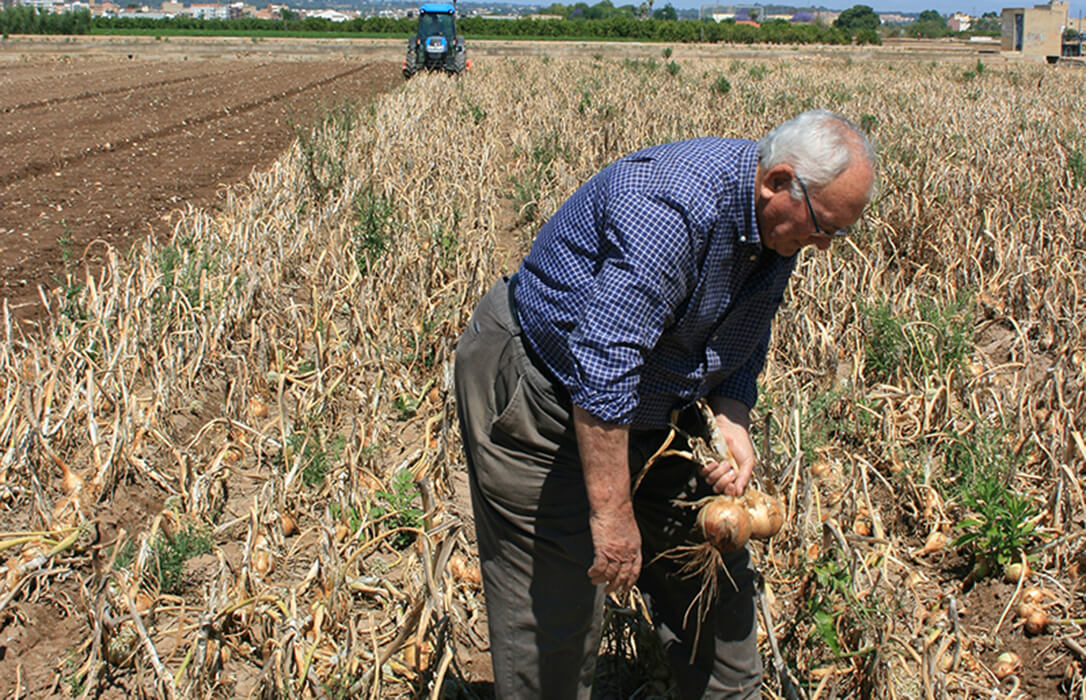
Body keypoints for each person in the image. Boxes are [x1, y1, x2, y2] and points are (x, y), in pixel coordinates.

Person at [454, 109, 876, 699]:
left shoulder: (781, 227)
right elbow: (603, 366)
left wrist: (732, 416)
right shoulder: (671, 207)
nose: (824, 244)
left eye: (838, 232)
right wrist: (611, 512)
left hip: (652, 405)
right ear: (778, 181)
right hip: (544, 393)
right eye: (824, 226)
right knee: (556, 615)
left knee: (713, 584)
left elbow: (745, 333)